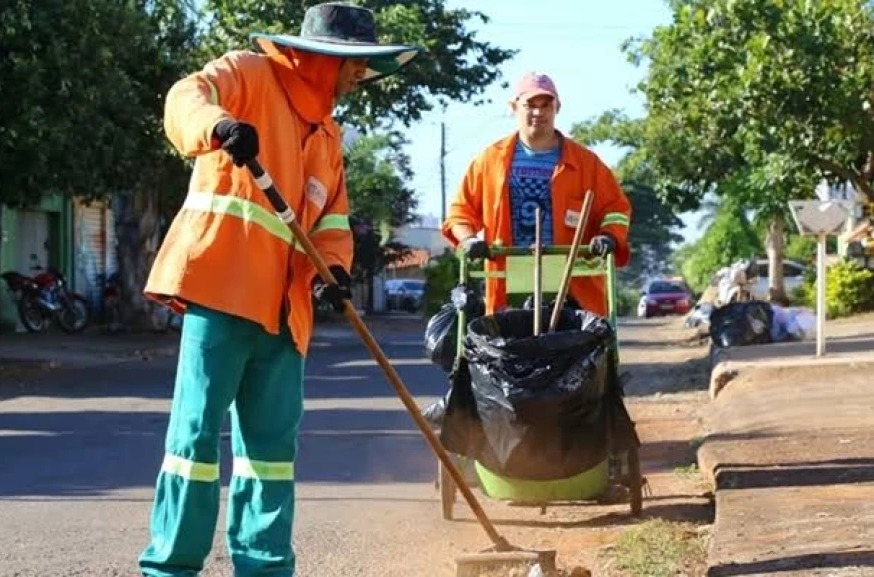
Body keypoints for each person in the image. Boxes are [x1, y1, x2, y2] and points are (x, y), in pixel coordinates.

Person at [137, 4, 421, 576]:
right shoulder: (248, 76)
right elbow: (184, 96)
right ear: (328, 60)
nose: (360, 78)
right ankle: (171, 568)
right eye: (356, 66)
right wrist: (218, 126)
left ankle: (265, 568)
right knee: (193, 442)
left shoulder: (328, 135)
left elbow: (332, 224)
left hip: (284, 312)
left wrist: (333, 273)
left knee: (269, 457)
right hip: (221, 288)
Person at [442, 71, 632, 317]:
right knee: (510, 354)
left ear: (557, 108)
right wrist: (469, 240)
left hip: (574, 290)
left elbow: (615, 209)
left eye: (546, 105)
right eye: (530, 105)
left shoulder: (587, 164)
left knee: (571, 354)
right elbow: (460, 213)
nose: (538, 113)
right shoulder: (490, 161)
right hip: (508, 286)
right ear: (514, 107)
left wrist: (609, 237)